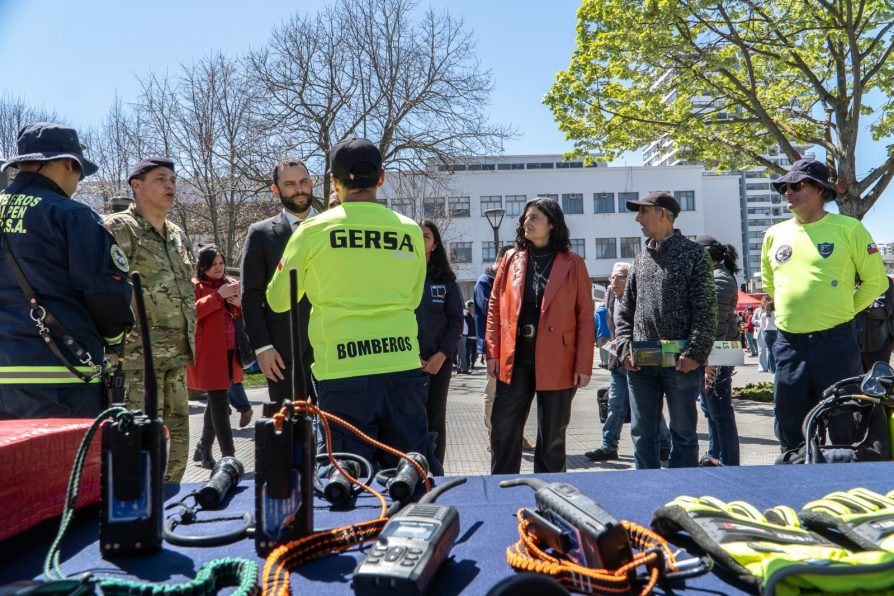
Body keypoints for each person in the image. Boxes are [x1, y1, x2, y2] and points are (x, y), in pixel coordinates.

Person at [266, 138, 440, 474]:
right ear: (381, 178)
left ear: (334, 181)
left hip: (342, 372)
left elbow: (278, 299)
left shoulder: (313, 230)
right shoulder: (410, 231)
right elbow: (414, 297)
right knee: (412, 474)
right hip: (402, 366)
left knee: (346, 481)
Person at [0, 123, 133, 418]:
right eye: (80, 174)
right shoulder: (72, 215)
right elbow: (106, 293)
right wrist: (113, 341)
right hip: (62, 379)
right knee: (69, 464)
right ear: (68, 164)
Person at [762, 159, 888, 452]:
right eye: (784, 187)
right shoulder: (774, 235)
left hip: (837, 343)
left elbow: (876, 282)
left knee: (844, 425)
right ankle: (794, 483)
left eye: (796, 185)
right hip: (789, 344)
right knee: (789, 424)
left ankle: (845, 484)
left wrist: (845, 310)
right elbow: (771, 285)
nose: (787, 192)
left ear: (819, 189)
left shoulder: (849, 229)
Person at [486, 197, 594, 474]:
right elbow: (495, 307)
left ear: (552, 225)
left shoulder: (573, 263)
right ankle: (504, 489)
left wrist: (583, 365)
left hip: (559, 358)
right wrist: (492, 352)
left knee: (552, 435)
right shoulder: (511, 259)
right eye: (525, 217)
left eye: (535, 218)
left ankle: (549, 494)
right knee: (503, 427)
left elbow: (584, 316)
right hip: (516, 355)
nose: (526, 222)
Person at [105, 156, 196, 483]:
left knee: (178, 445)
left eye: (172, 178)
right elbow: (105, 293)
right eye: (160, 178)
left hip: (175, 358)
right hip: (137, 362)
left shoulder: (177, 234)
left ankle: (169, 506)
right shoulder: (118, 229)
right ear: (137, 185)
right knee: (138, 446)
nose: (170, 185)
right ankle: (138, 512)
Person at [615, 191, 716, 470]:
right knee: (641, 434)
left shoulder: (694, 255)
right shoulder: (640, 260)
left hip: (681, 363)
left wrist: (694, 353)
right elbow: (626, 312)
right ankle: (646, 487)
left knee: (683, 434)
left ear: (662, 213)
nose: (637, 218)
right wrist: (624, 349)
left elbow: (706, 309)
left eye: (643, 212)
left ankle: (682, 490)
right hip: (641, 364)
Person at [240, 159, 316, 404]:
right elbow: (250, 296)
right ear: (276, 190)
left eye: (304, 182)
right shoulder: (261, 233)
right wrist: (262, 348)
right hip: (282, 355)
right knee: (288, 435)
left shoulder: (333, 227)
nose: (299, 189)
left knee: (333, 433)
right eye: (290, 184)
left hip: (330, 350)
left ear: (312, 183)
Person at [584, 262, 672, 463]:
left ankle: (665, 445)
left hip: (639, 361)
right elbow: (608, 323)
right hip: (619, 361)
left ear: (631, 278)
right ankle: (608, 446)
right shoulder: (609, 297)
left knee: (647, 406)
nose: (614, 281)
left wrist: (627, 341)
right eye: (612, 277)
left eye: (620, 277)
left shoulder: (641, 298)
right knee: (615, 406)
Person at [187, 245, 243, 469]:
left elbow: (238, 316)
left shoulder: (229, 284)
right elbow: (191, 313)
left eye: (221, 263)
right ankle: (229, 455)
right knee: (220, 401)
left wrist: (238, 304)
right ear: (203, 266)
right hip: (209, 354)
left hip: (230, 352)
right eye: (214, 264)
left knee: (216, 401)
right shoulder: (196, 286)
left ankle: (203, 448)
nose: (219, 268)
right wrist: (218, 296)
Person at [475, 246, 534, 452]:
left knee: (516, 394)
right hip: (495, 347)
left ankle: (516, 435)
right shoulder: (485, 282)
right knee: (492, 392)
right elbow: (492, 311)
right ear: (501, 259)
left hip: (515, 346)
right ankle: (494, 434)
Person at [415, 220, 463, 468]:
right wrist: (410, 356)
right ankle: (413, 470)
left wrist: (442, 354)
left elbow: (456, 321)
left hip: (438, 362)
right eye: (414, 235)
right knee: (409, 419)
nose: (419, 239)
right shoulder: (398, 277)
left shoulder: (446, 281)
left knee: (435, 419)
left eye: (425, 236)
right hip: (405, 362)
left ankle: (436, 469)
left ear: (434, 245)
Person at [695, 235, 741, 467]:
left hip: (720, 350)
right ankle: (715, 456)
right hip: (718, 350)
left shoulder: (719, 279)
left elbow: (715, 325)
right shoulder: (715, 276)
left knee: (719, 410)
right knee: (710, 408)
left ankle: (728, 462)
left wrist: (708, 360)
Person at [856, 277, 894, 372]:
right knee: (856, 382)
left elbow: (883, 311)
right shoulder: (850, 281)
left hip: (876, 344)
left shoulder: (883, 281)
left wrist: (857, 302)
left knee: (879, 379)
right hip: (854, 343)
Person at [459, 300, 477, 374]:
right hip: (467, 338)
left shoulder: (476, 316)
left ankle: (472, 365)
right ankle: (466, 366)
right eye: (472, 307)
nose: (473, 308)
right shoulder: (465, 316)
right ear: (469, 308)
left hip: (475, 338)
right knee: (466, 353)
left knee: (474, 353)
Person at [762, 301, 778, 374]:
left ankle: (771, 369)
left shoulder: (764, 314)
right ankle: (775, 367)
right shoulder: (776, 313)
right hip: (775, 332)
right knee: (775, 350)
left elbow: (762, 325)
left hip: (766, 332)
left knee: (769, 350)